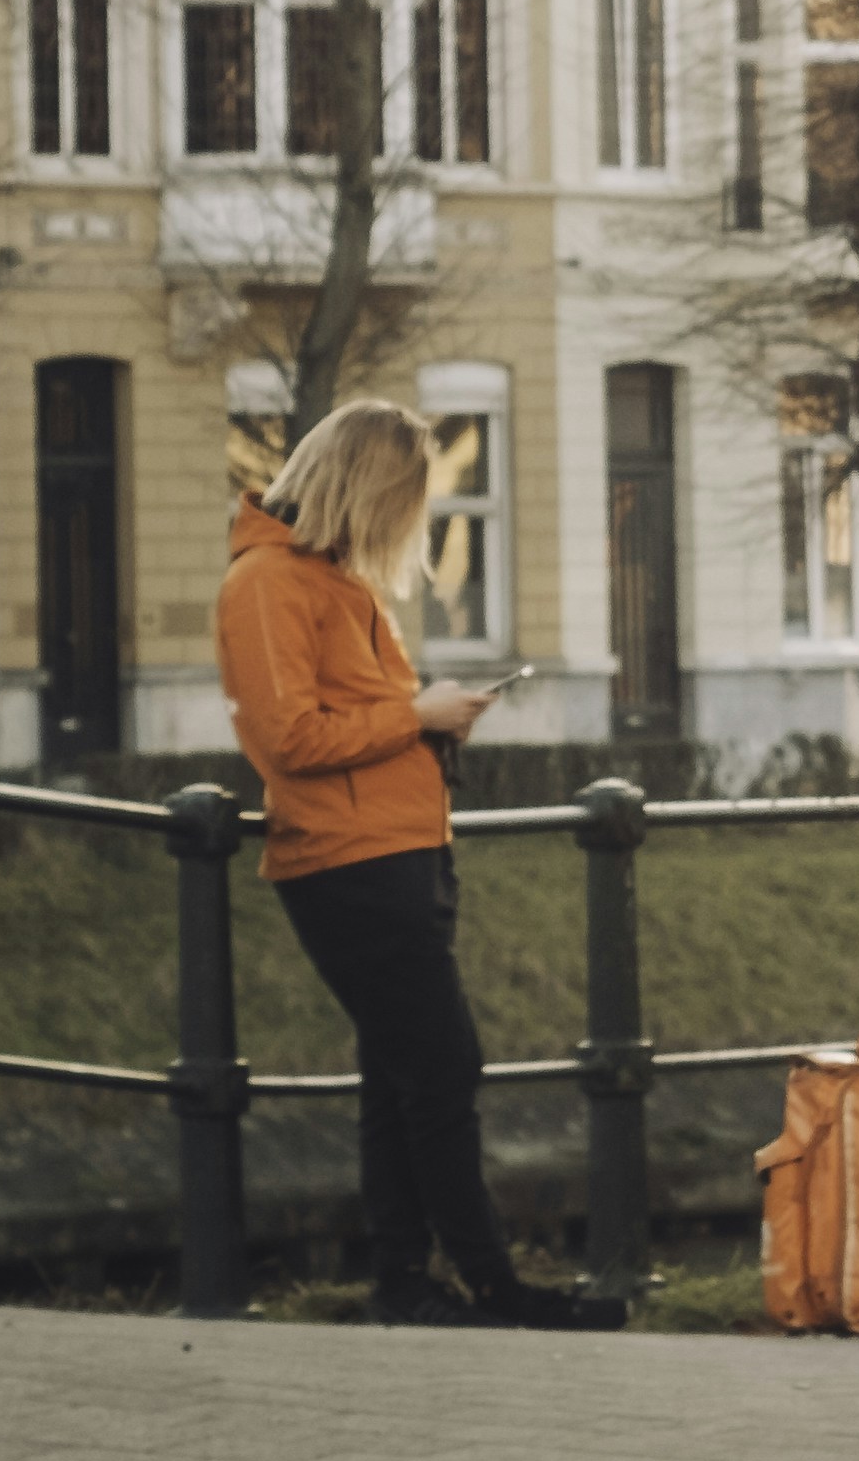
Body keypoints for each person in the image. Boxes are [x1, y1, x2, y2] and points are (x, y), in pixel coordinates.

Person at [218, 399, 619, 1328]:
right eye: (408, 501)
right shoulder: (268, 583)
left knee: (402, 1078)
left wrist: (424, 720)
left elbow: (340, 717)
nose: (412, 524)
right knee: (443, 1071)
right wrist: (418, 714)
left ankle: (405, 1280)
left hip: (397, 854)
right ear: (368, 489)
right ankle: (493, 1286)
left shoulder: (326, 579)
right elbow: (287, 738)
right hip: (349, 860)